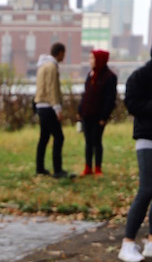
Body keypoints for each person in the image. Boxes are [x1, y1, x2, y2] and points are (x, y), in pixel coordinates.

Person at [118, 47, 152, 262]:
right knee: (147, 189)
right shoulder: (140, 77)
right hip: (146, 138)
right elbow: (131, 103)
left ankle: (150, 241)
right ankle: (128, 242)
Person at [77, 49, 117, 176]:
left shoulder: (109, 77)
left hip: (98, 116)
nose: (90, 61)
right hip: (87, 114)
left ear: (99, 60)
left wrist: (104, 117)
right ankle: (88, 166)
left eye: (92, 59)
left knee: (96, 140)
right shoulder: (90, 74)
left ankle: (98, 167)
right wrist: (80, 110)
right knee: (88, 141)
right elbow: (86, 94)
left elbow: (110, 99)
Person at [34, 42, 71, 178]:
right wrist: (57, 108)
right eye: (64, 53)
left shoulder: (42, 65)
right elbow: (52, 88)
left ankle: (40, 167)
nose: (64, 56)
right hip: (48, 106)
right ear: (60, 52)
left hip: (40, 105)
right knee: (59, 137)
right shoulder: (52, 66)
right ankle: (57, 170)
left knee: (44, 137)